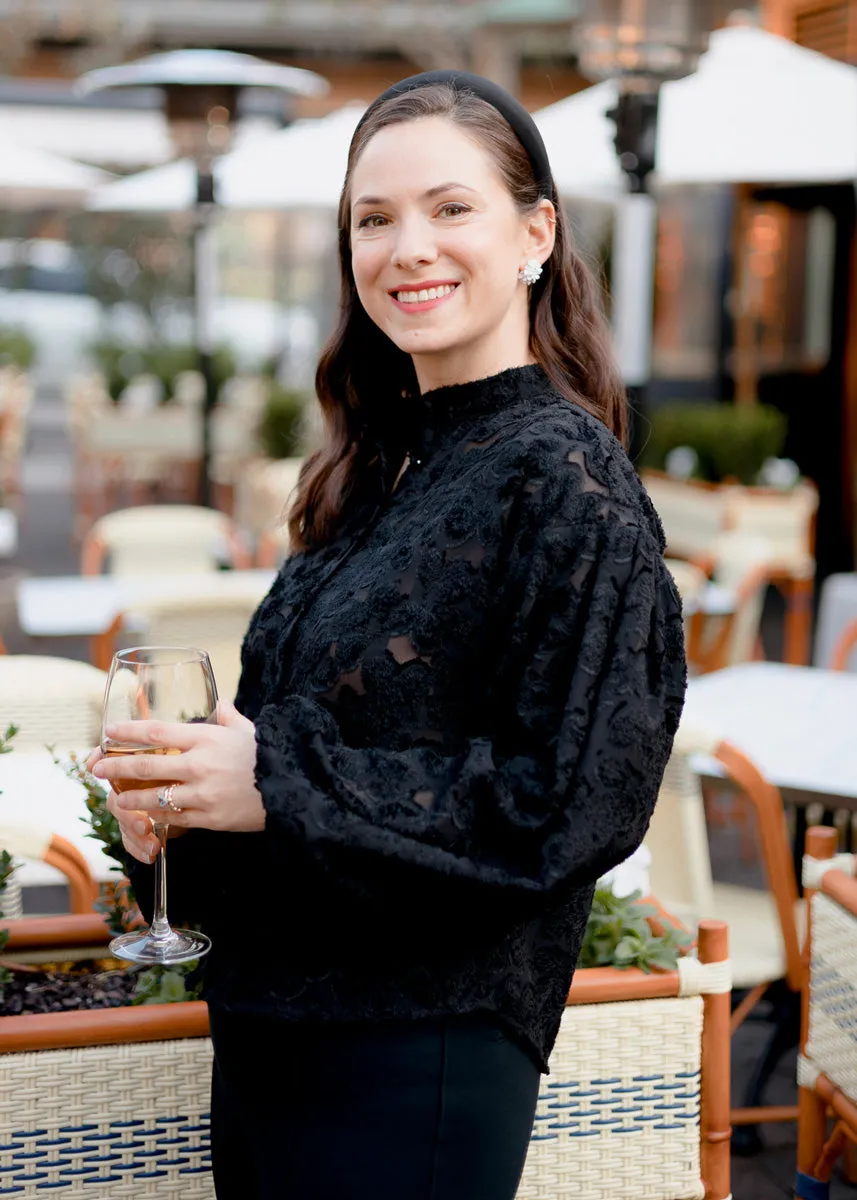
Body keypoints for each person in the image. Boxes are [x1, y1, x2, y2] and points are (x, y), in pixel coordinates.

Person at [89, 69, 686, 1200]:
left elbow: (567, 806)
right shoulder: (375, 467)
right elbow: (288, 775)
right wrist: (180, 816)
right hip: (275, 1033)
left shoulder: (564, 481)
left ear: (534, 232)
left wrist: (271, 780)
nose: (407, 246)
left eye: (449, 208)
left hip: (421, 1054)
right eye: (374, 219)